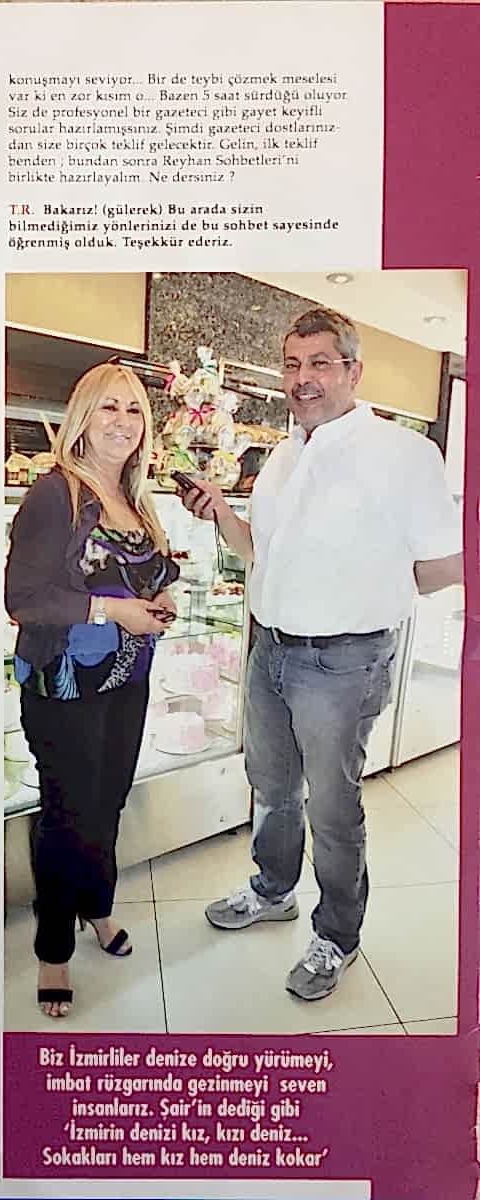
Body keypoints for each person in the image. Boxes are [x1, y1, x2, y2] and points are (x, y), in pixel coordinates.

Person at [183, 308, 463, 1001]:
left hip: (343, 664)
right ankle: (272, 889)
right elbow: (260, 551)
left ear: (353, 370)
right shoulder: (284, 455)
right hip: (270, 652)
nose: (302, 378)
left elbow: (444, 563)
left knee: (333, 808)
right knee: (272, 787)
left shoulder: (403, 454)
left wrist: (372, 584)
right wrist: (221, 512)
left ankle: (337, 934)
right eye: (292, 363)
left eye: (319, 363)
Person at [5, 362, 178, 1018]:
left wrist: (162, 597)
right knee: (67, 815)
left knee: (107, 803)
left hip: (126, 681)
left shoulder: (135, 497)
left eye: (133, 411)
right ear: (82, 417)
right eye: (109, 407)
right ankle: (53, 952)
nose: (122, 423)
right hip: (64, 688)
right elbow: (24, 598)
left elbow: (148, 573)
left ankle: (96, 907)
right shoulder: (58, 493)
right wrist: (114, 612)